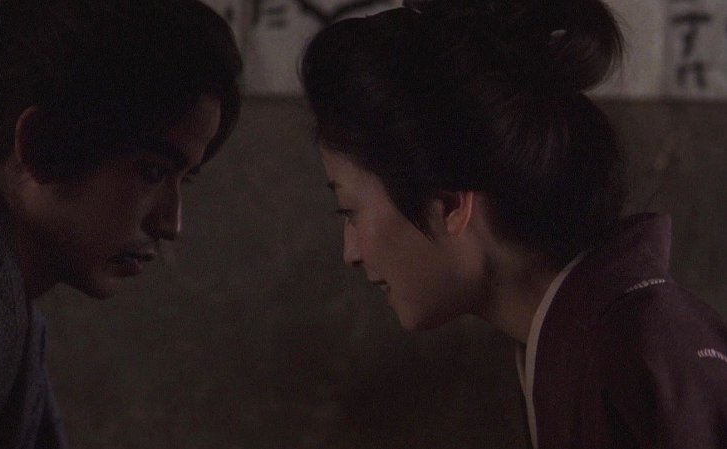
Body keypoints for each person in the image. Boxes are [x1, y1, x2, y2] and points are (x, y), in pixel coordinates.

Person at [300, 0, 727, 447]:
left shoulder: (643, 353)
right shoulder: (587, 341)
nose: (350, 253)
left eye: (350, 211)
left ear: (450, 205)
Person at [0, 0, 241, 447]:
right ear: (39, 143)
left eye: (183, 179)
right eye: (152, 171)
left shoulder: (14, 322)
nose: (170, 224)